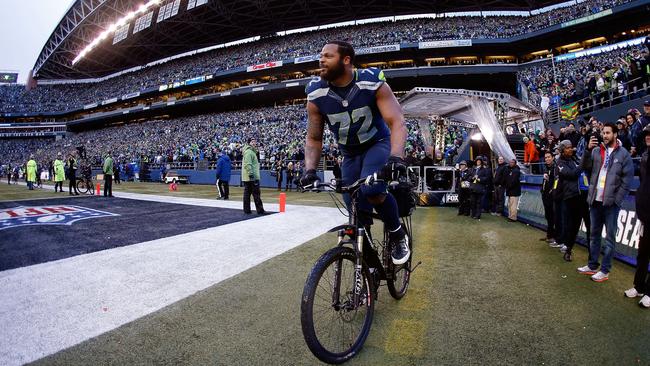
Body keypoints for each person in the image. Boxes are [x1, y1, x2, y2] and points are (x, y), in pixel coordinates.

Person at [299, 40, 410, 265]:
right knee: (355, 209)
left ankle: (398, 235)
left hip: (376, 143)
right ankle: (368, 268)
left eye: (328, 56)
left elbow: (396, 121)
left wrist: (396, 157)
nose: (321, 60)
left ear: (346, 60)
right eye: (321, 55)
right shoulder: (316, 93)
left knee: (372, 190)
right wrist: (309, 170)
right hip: (349, 153)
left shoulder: (371, 82)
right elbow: (313, 138)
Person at [578, 123, 634, 282]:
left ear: (615, 134)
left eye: (608, 133)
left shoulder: (624, 154)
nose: (605, 135)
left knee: (609, 239)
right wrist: (587, 150)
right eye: (603, 132)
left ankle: (605, 270)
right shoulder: (596, 151)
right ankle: (592, 265)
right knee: (594, 235)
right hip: (595, 201)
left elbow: (627, 181)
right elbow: (584, 167)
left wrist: (617, 200)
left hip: (611, 204)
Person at [624, 125, 650, 307]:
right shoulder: (646, 155)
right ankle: (639, 286)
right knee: (642, 253)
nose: (647, 137)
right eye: (647, 134)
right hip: (644, 213)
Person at [555, 140, 582, 262]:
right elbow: (572, 174)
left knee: (575, 224)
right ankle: (567, 246)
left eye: (571, 147)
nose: (571, 149)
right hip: (569, 197)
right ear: (562, 150)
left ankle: (569, 247)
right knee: (568, 223)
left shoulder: (574, 159)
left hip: (580, 196)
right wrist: (582, 165)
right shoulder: (560, 163)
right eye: (567, 148)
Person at [242, 138, 265, 214]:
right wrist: (251, 175)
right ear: (249, 143)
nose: (254, 143)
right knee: (256, 194)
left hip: (247, 177)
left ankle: (247, 210)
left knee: (247, 194)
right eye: (252, 142)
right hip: (252, 177)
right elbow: (248, 164)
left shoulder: (251, 152)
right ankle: (260, 210)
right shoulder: (249, 152)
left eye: (255, 141)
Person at [540, 151, 557, 245]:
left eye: (549, 157)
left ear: (553, 157)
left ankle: (554, 236)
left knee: (553, 217)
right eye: (545, 157)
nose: (547, 159)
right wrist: (542, 191)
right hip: (545, 196)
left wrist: (551, 192)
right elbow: (544, 182)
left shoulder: (555, 168)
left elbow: (555, 182)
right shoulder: (546, 168)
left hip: (552, 197)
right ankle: (549, 235)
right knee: (548, 216)